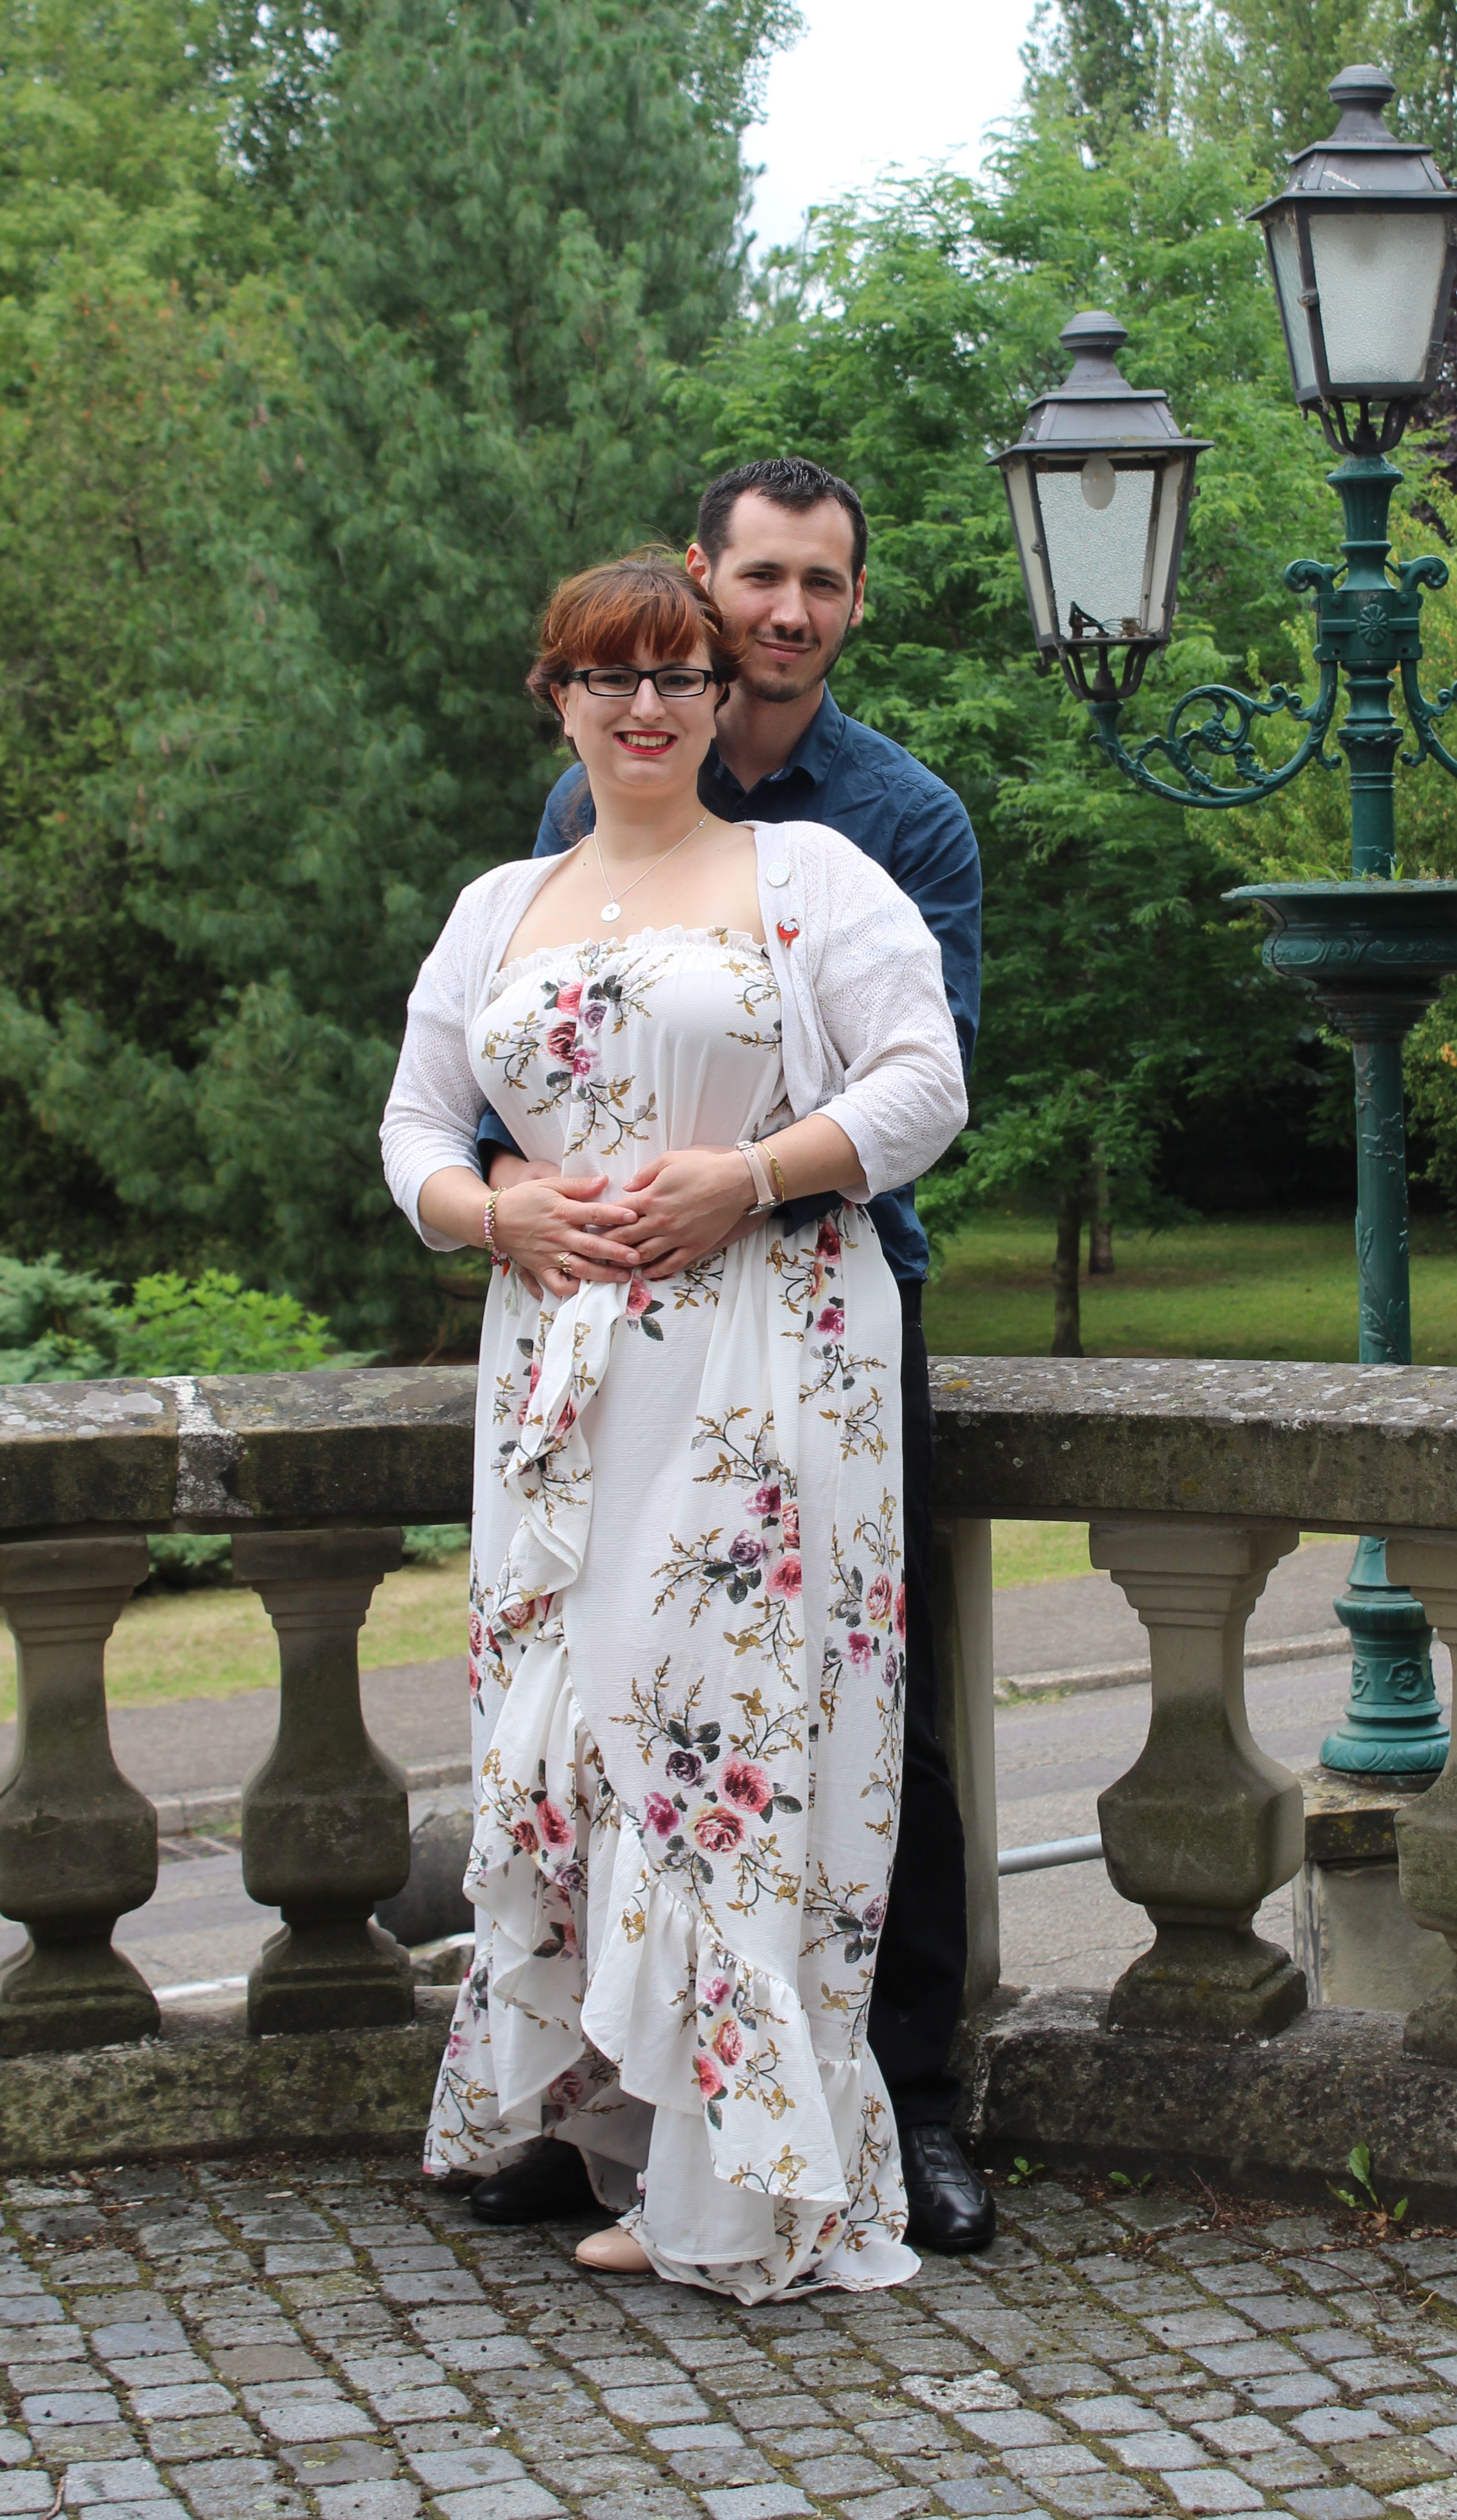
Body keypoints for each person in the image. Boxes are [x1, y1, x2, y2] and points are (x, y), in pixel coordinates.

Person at [380, 546, 967, 2300]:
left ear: (722, 700)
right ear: (556, 697)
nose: (643, 708)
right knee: (576, 1726)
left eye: (677, 677)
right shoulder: (500, 902)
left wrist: (751, 1175)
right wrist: (494, 1211)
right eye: (607, 676)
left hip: (764, 1366)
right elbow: (414, 1127)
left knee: (726, 1728)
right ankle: (621, 2122)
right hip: (560, 1384)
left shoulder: (812, 874)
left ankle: (750, 2175)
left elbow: (923, 1085)